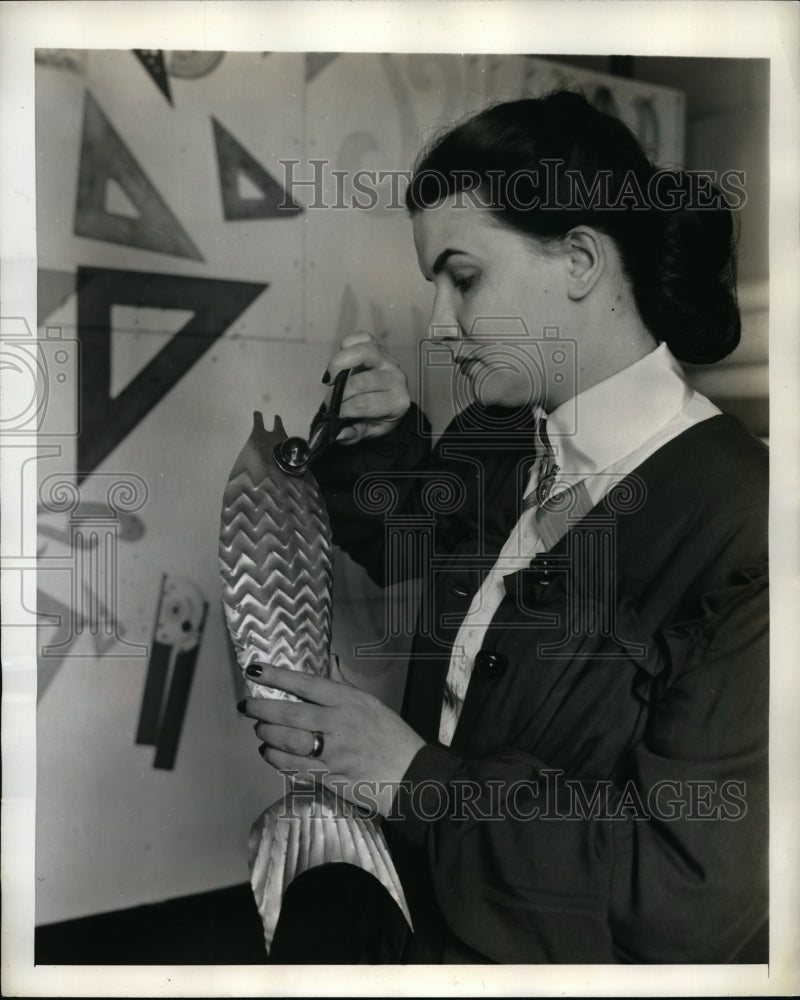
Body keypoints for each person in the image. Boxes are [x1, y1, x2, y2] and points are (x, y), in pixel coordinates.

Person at [239, 90, 768, 963]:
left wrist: (411, 780)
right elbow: (419, 548)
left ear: (581, 260)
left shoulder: (746, 526)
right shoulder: (496, 439)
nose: (441, 329)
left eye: (465, 277)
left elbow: (684, 891)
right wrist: (382, 443)